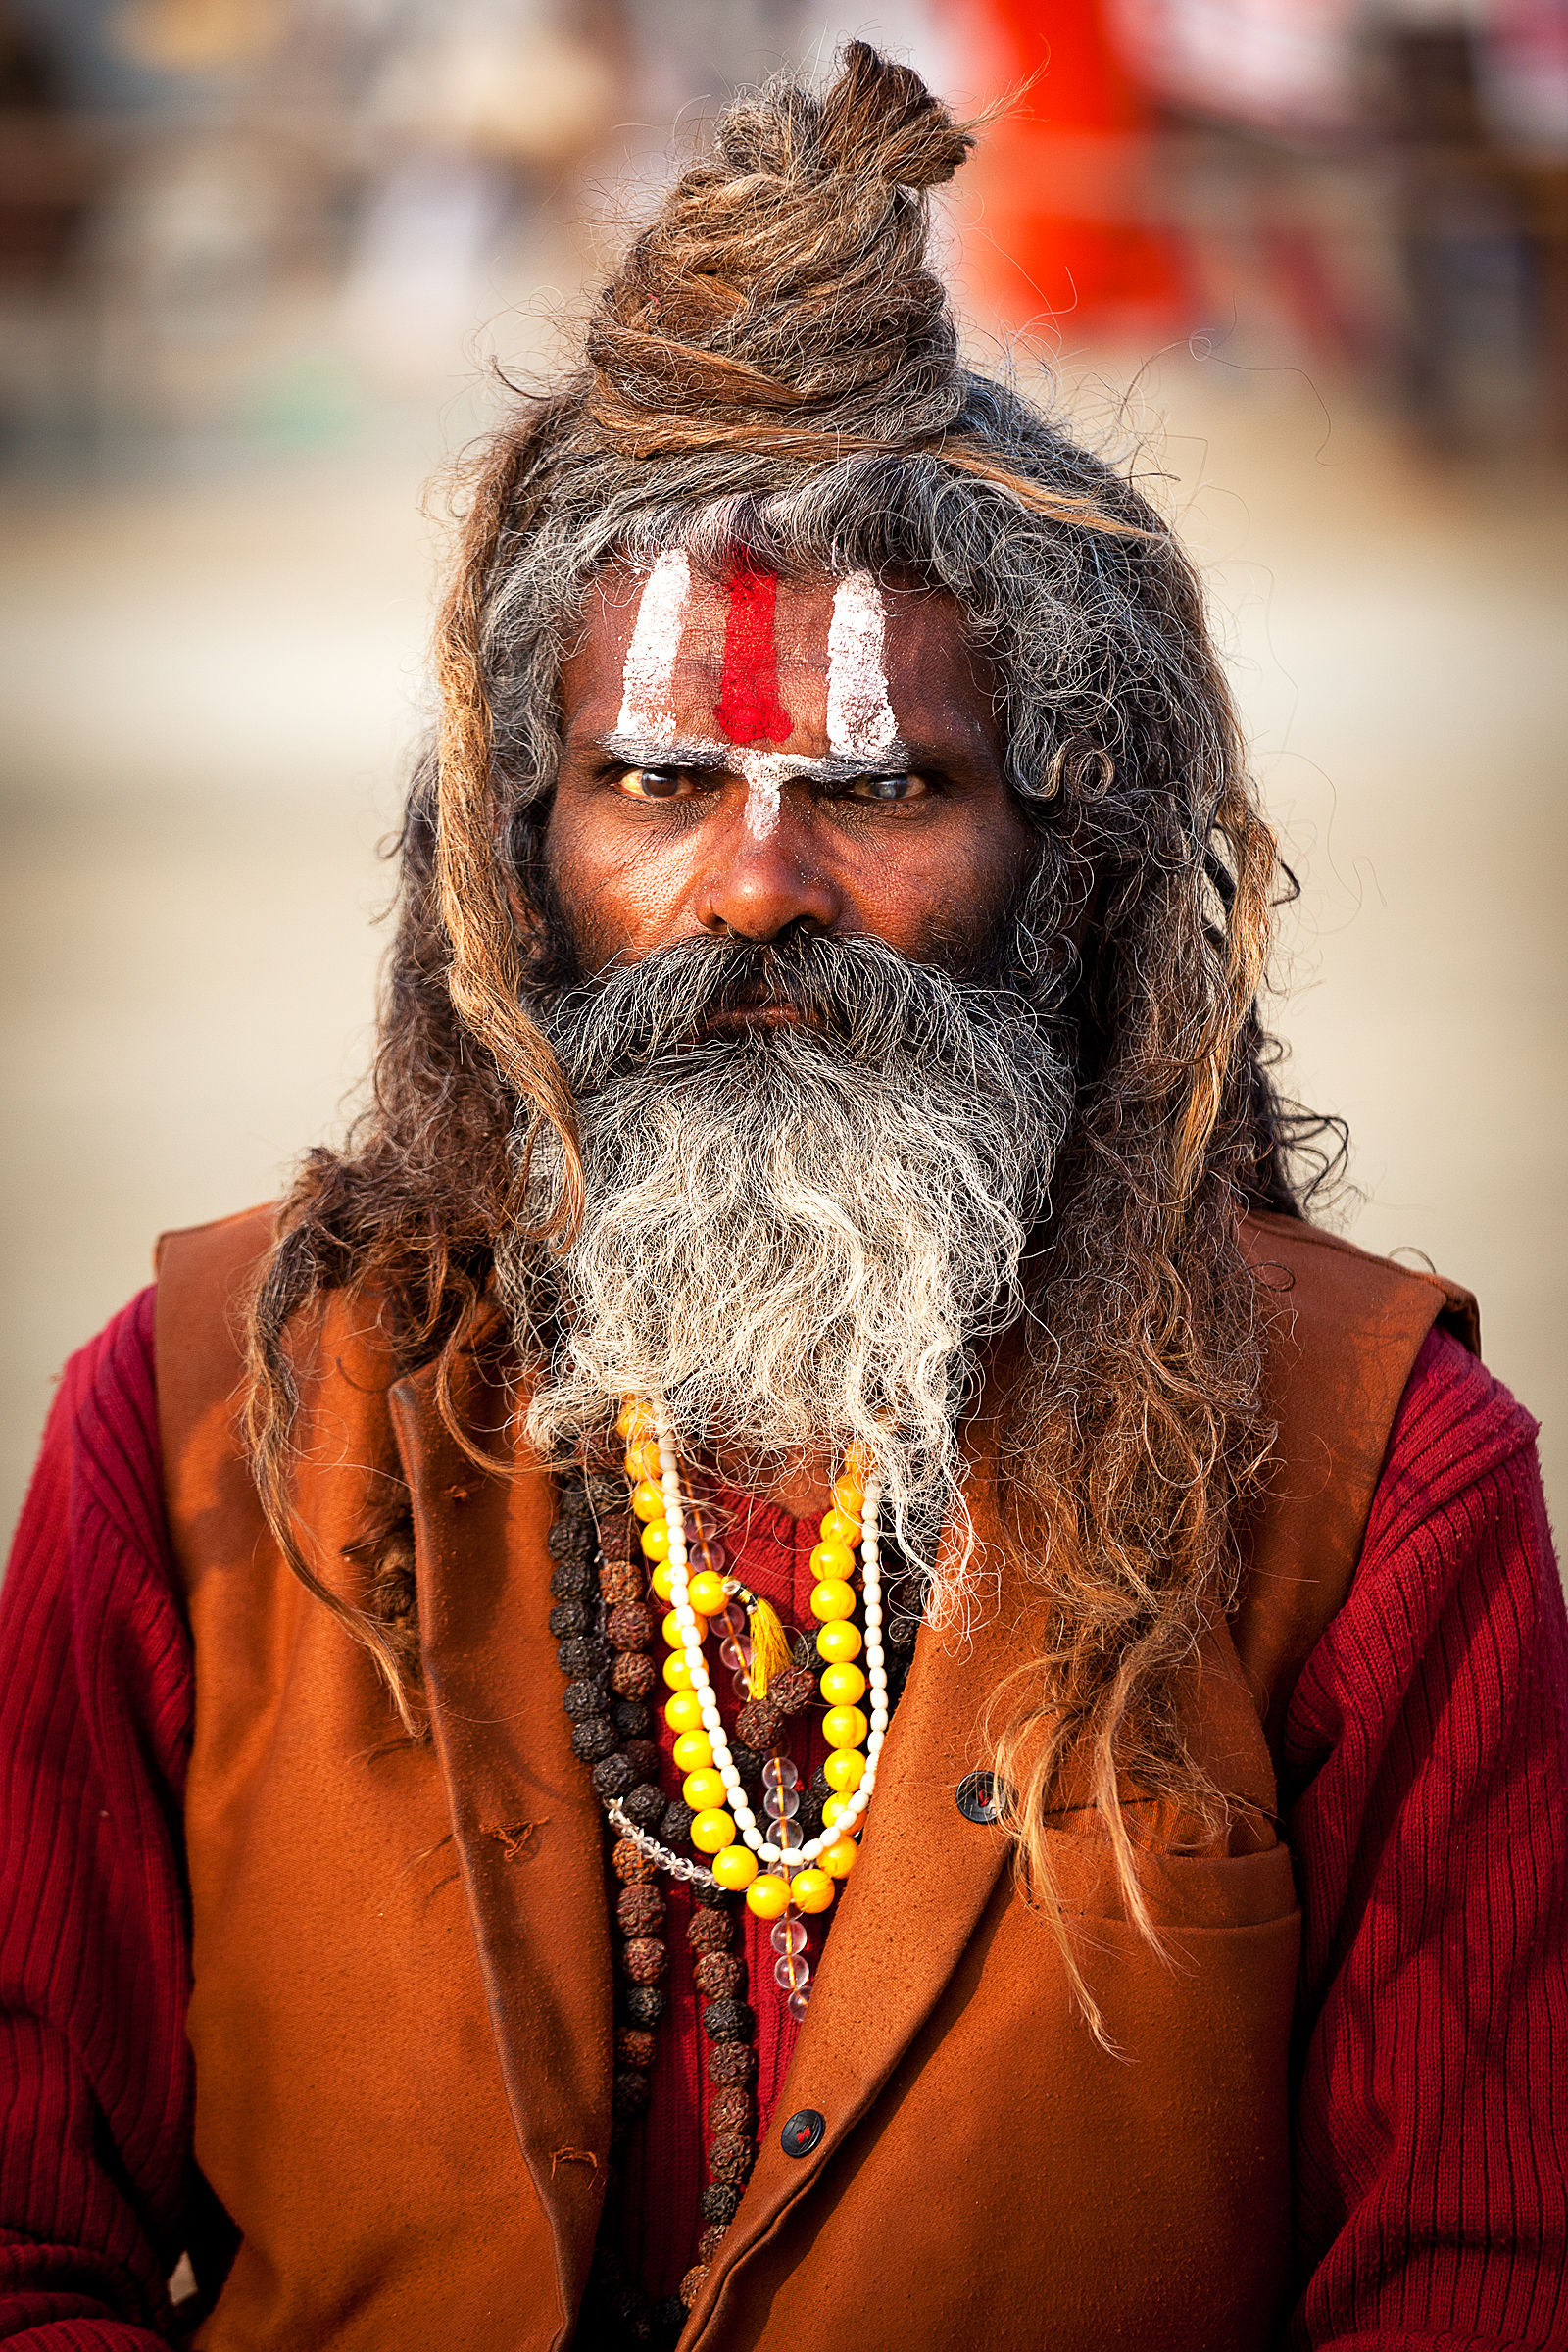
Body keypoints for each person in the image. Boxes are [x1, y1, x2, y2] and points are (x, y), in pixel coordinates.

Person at [2, 43, 1563, 2352]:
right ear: (510, 851)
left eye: (877, 786)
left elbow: (1478, 2282)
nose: (753, 889)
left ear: (1064, 853)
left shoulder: (1376, 1475)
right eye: (651, 782)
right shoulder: (200, 1421)